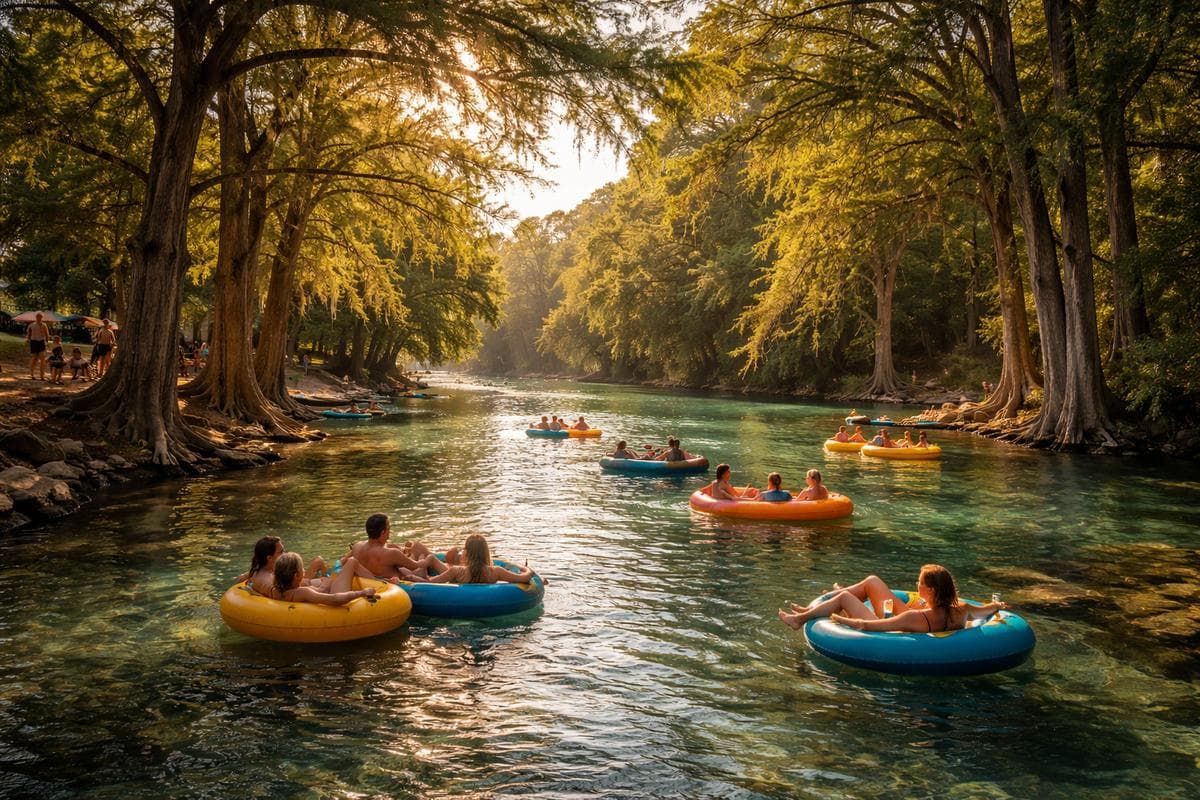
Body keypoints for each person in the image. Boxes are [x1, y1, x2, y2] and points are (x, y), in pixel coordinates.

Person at [777, 564, 1006, 633]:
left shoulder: (916, 617)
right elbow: (984, 610)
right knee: (872, 580)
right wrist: (997, 605)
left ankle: (800, 619)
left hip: (889, 632)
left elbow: (866, 625)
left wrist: (840, 619)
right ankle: (812, 608)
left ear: (933, 591)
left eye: (920, 584)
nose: (917, 586)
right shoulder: (962, 609)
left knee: (846, 598)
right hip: (913, 620)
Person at [348, 513, 447, 580]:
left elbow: (342, 563)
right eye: (389, 529)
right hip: (408, 578)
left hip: (379, 577)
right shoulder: (391, 553)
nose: (390, 533)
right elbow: (416, 565)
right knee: (427, 555)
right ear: (383, 532)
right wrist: (428, 560)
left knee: (415, 547)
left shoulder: (357, 547)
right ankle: (457, 575)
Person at [267, 552, 379, 606]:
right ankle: (381, 582)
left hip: (322, 591)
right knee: (352, 561)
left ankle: (339, 566)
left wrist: (313, 585)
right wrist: (362, 592)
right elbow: (335, 599)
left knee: (336, 571)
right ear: (296, 576)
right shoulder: (302, 592)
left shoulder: (275, 590)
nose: (304, 571)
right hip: (335, 597)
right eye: (302, 569)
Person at [424, 534, 535, 584]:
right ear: (485, 552)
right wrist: (527, 570)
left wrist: (416, 576)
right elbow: (524, 579)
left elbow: (430, 582)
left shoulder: (456, 571)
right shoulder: (496, 571)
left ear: (467, 553)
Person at [26, 312, 50, 380]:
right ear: (36, 317)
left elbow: (47, 334)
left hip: (41, 342)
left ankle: (42, 376)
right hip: (34, 342)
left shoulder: (44, 325)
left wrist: (47, 342)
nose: (39, 318)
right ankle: (32, 374)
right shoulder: (31, 325)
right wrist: (28, 339)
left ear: (42, 318)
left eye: (40, 317)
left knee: (42, 358)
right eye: (38, 317)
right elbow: (28, 334)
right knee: (35, 358)